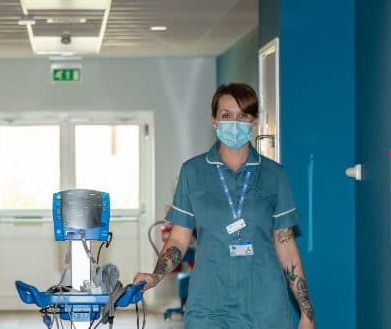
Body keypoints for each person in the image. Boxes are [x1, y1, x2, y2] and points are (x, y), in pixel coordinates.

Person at [133, 83, 315, 328]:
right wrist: (156, 276)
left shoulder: (274, 175)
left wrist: (306, 311)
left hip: (264, 304)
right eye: (226, 116)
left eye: (243, 116)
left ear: (254, 122)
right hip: (209, 303)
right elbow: (178, 239)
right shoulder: (193, 172)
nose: (235, 123)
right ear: (214, 121)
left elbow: (285, 243)